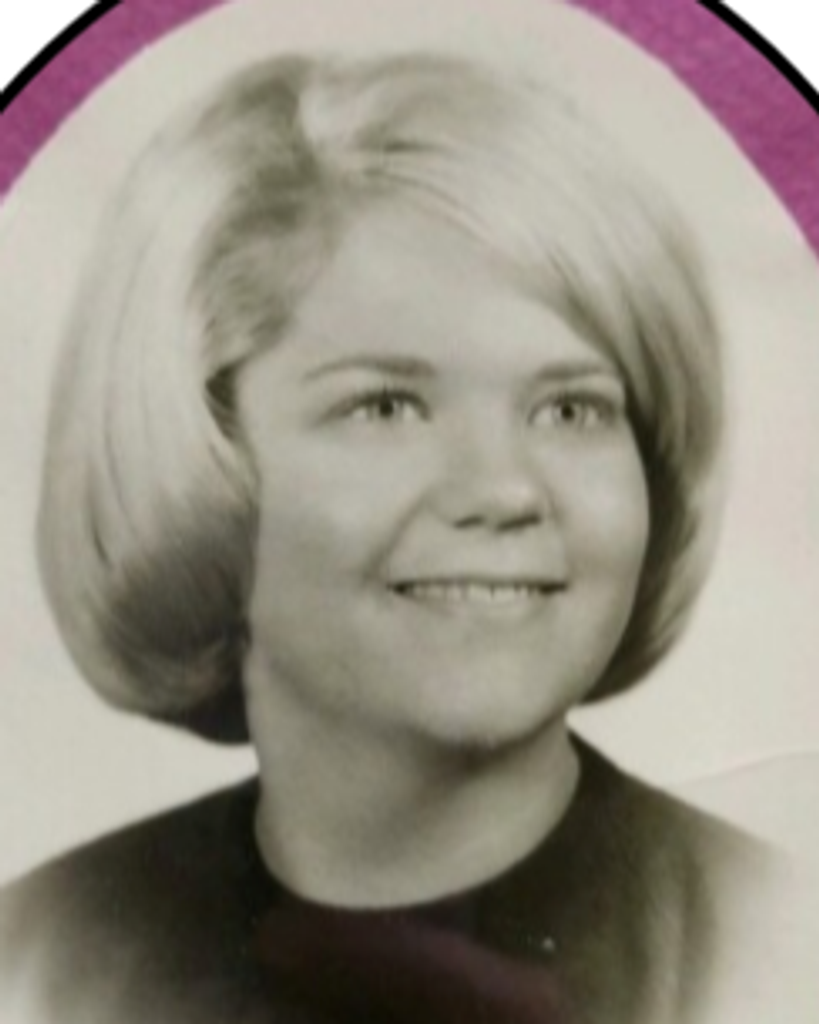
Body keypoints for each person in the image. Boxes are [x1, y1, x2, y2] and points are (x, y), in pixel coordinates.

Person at [0, 51, 812, 1024]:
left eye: (571, 409)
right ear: (202, 457)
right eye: (385, 406)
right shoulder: (39, 963)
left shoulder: (782, 951)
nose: (504, 491)